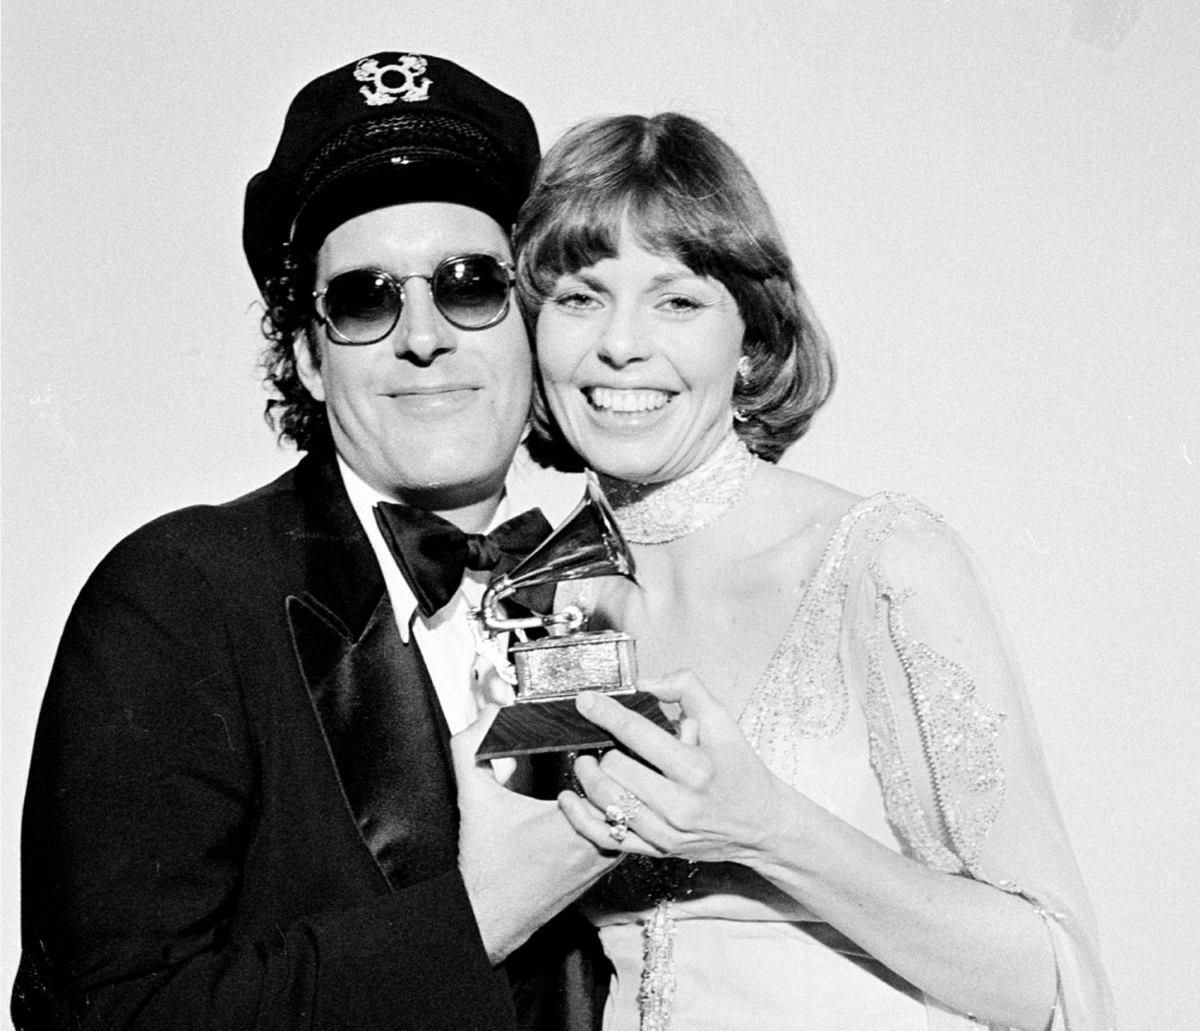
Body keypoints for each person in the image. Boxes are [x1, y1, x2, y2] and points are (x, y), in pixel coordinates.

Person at [14, 52, 615, 1030]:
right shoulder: (179, 595)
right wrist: (482, 916)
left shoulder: (606, 592)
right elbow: (104, 1014)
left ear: (533, 322)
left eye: (471, 284)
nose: (424, 334)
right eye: (366, 298)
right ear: (307, 355)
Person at [512, 113, 1115, 1030]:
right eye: (580, 297)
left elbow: (1047, 981)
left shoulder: (879, 560)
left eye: (677, 302)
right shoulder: (540, 600)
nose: (621, 344)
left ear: (752, 340)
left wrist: (771, 827)